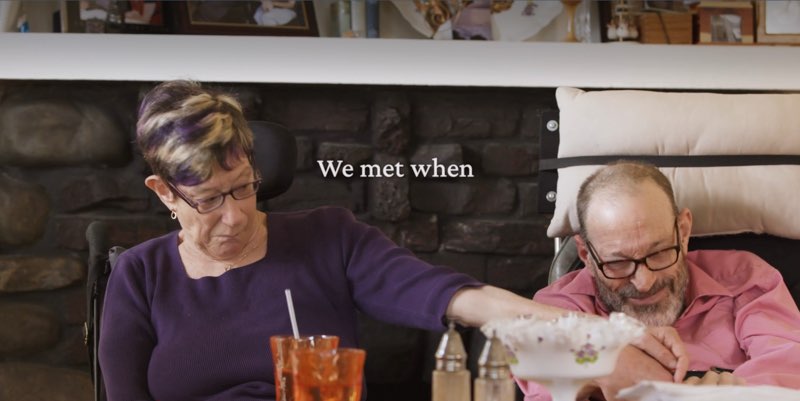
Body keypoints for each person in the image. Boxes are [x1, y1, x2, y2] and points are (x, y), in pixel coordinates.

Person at [98, 81, 687, 401]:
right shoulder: (141, 276)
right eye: (207, 200)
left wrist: (603, 332)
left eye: (243, 188)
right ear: (164, 192)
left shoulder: (328, 238)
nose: (233, 217)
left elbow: (459, 297)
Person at [519, 161, 800, 401]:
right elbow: (541, 381)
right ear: (586, 255)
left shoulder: (744, 278)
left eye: (660, 252)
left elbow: (789, 366)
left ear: (684, 231)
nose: (644, 282)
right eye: (618, 263)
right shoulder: (559, 306)